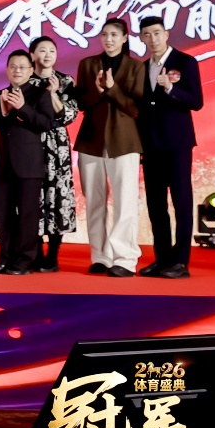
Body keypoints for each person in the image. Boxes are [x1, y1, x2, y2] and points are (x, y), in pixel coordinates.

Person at [74, 18, 145, 277]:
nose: (109, 39)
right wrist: (97, 90)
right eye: (105, 35)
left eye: (114, 35)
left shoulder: (136, 67)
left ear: (125, 38)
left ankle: (125, 259)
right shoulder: (88, 64)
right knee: (94, 201)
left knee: (125, 202)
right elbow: (81, 102)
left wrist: (112, 88)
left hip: (124, 141)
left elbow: (134, 107)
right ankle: (100, 256)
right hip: (91, 139)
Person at [137, 16, 203, 279]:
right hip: (151, 145)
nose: (152, 39)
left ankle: (180, 261)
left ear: (166, 34)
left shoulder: (185, 62)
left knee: (181, 201)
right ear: (142, 38)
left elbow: (196, 101)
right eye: (147, 34)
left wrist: (171, 89)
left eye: (156, 33)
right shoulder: (143, 67)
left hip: (177, 143)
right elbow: (142, 109)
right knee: (156, 205)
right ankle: (163, 258)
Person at [0, 51, 57, 275]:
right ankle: (5, 258)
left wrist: (23, 108)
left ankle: (25, 260)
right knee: (4, 214)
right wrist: (4, 113)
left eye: (22, 67)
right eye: (13, 66)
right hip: (3, 164)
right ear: (6, 69)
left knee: (27, 215)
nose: (17, 71)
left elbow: (46, 124)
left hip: (29, 165)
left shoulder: (40, 94)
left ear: (31, 70)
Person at [27, 36, 79, 273]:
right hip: (32, 141)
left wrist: (53, 94)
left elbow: (69, 115)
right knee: (34, 196)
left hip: (57, 145)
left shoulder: (66, 81)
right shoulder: (25, 80)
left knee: (58, 195)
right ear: (32, 55)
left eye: (51, 51)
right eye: (42, 50)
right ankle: (36, 252)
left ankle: (54, 254)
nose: (47, 55)